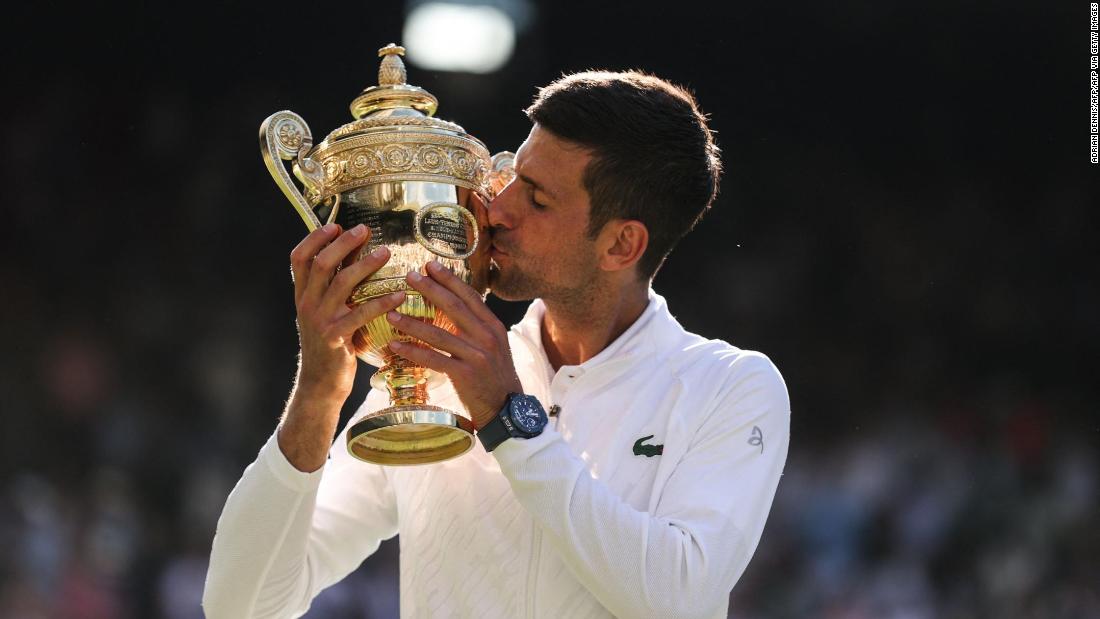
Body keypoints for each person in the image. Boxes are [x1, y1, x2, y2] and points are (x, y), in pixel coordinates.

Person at [203, 70, 790, 619]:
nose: (496, 210)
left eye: (536, 199)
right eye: (510, 178)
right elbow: (240, 605)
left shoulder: (731, 387)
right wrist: (316, 393)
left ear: (620, 246)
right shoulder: (431, 371)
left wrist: (510, 421)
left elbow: (678, 596)